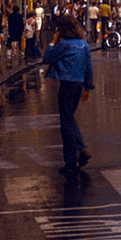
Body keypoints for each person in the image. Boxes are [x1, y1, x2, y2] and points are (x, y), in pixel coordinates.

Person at [44, 14, 94, 177]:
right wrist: (87, 88)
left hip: (66, 84)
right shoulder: (84, 45)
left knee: (66, 123)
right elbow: (89, 68)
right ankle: (81, 148)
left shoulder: (64, 45)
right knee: (69, 118)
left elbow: (47, 58)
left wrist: (52, 41)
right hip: (79, 84)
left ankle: (71, 161)